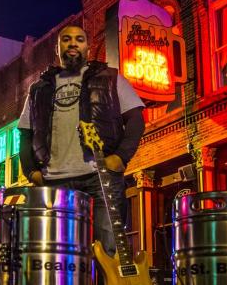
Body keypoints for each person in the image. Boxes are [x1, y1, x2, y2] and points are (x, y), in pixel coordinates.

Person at [18, 25, 145, 262]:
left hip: (100, 176)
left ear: (87, 46)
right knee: (60, 256)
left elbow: (136, 119)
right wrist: (30, 171)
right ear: (58, 48)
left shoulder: (110, 78)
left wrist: (120, 157)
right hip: (55, 181)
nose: (73, 43)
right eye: (66, 40)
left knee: (111, 251)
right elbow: (25, 133)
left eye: (79, 39)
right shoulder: (38, 90)